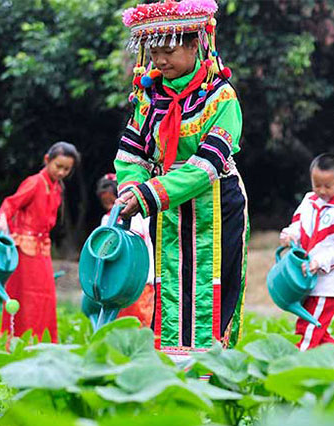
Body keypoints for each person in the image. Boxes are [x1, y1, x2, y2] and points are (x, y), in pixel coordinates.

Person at [113, 0, 249, 357]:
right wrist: (131, 188)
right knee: (169, 282)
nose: (160, 61)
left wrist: (149, 194)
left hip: (216, 204)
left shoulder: (221, 96)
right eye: (154, 52)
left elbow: (208, 163)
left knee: (212, 284)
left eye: (169, 51)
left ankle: (211, 368)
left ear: (194, 45)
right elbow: (132, 154)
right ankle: (172, 364)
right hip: (165, 207)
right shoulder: (148, 97)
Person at [0, 142, 80, 342]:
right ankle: (19, 340)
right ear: (47, 160)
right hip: (25, 250)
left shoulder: (57, 187)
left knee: (45, 297)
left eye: (67, 169)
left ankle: (40, 341)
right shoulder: (34, 182)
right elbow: (10, 203)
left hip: (41, 249)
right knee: (26, 297)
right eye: (58, 166)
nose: (61, 172)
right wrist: (3, 220)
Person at [278, 154, 334, 351]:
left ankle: (297, 363)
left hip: (327, 284)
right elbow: (297, 225)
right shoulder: (308, 201)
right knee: (316, 330)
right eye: (317, 185)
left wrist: (319, 262)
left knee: (308, 329)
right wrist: (289, 235)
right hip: (305, 280)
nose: (321, 191)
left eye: (327, 186)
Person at [95, 174, 155, 327]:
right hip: (121, 281)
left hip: (144, 277)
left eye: (112, 201)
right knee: (123, 322)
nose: (111, 206)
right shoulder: (107, 221)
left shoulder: (143, 217)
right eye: (106, 203)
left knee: (143, 321)